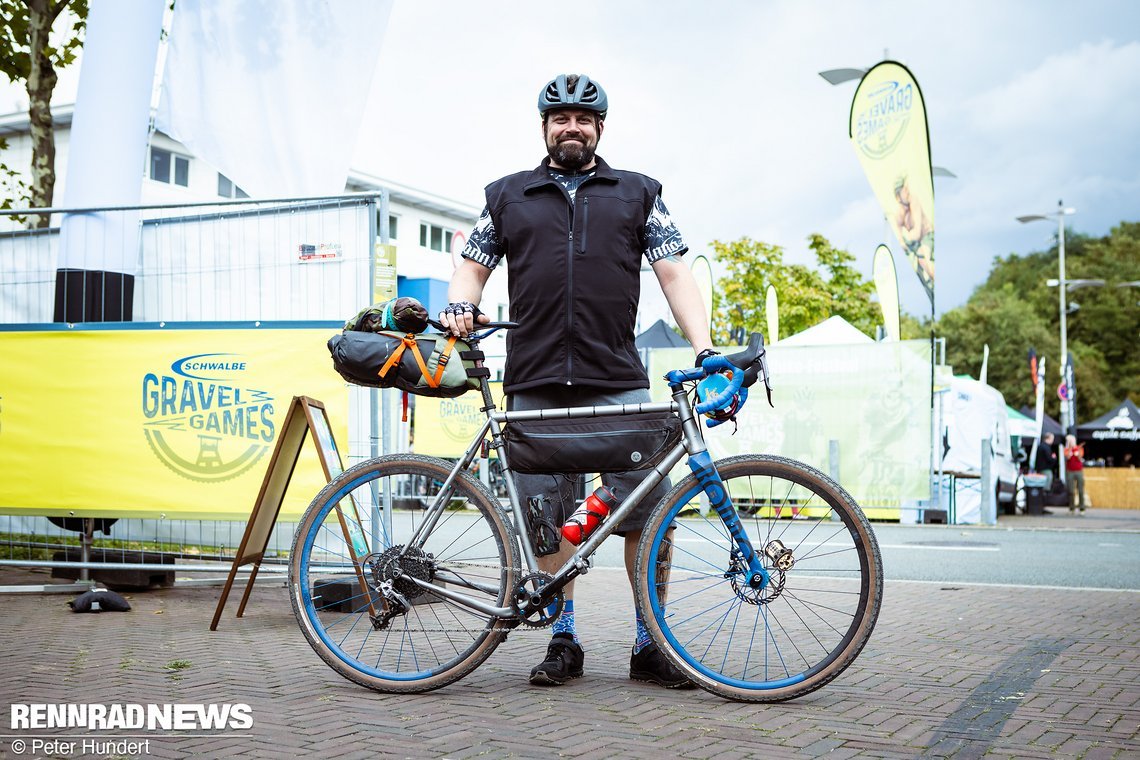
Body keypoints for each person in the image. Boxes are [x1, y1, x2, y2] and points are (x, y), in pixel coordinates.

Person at [439, 74, 714, 689]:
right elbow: (471, 269)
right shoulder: (508, 196)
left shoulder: (638, 194)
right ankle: (563, 638)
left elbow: (673, 272)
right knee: (547, 516)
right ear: (544, 128)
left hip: (616, 379)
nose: (571, 126)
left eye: (583, 119)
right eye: (559, 117)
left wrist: (704, 347)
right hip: (534, 382)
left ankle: (651, 640)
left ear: (599, 130)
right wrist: (461, 304)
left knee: (644, 510)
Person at [1063, 434, 1086, 513]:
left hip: (1079, 471)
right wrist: (1069, 449)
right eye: (1068, 441)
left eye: (1070, 441)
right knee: (1071, 491)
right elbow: (1067, 457)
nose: (1069, 442)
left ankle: (1082, 508)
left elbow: (1080, 458)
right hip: (1070, 471)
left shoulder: (1079, 448)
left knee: (1080, 490)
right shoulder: (1066, 449)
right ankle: (1072, 508)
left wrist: (1076, 451)